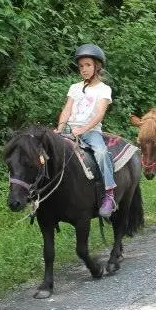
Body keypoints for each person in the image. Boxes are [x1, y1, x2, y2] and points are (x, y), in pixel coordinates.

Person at [56, 44, 117, 218]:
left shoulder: (104, 89)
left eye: (88, 65)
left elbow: (99, 114)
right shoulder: (75, 87)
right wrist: (60, 128)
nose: (84, 69)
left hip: (90, 132)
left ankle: (109, 195)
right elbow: (67, 109)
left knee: (101, 152)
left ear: (97, 66)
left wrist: (82, 129)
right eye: (81, 66)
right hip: (70, 129)